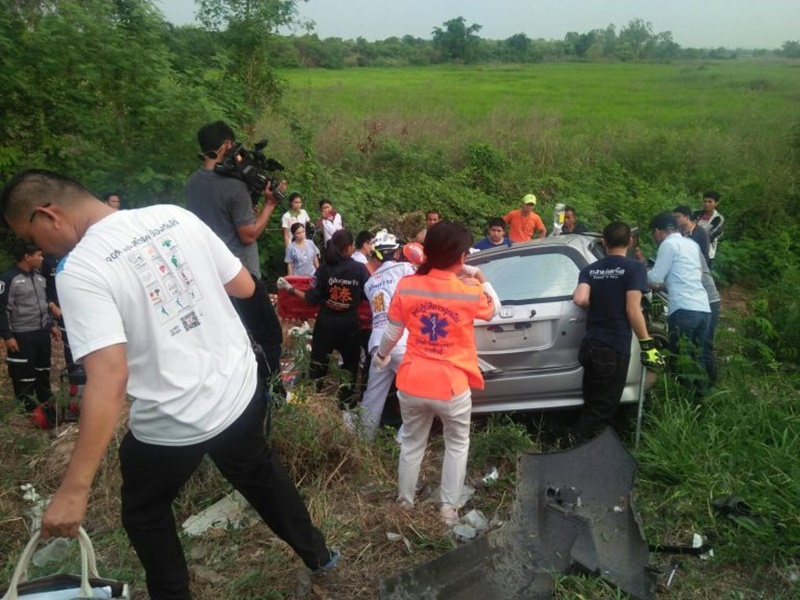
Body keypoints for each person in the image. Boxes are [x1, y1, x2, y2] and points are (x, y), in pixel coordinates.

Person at [1, 170, 338, 600]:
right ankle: (319, 554)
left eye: (32, 236)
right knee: (258, 470)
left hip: (174, 421)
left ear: (48, 215)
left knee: (145, 513)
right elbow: (244, 286)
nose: (41, 248)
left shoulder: (80, 270)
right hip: (238, 391)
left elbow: (109, 376)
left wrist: (73, 491)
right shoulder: (174, 216)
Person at [375, 222, 499, 524]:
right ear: (461, 257)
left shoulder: (407, 285)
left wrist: (381, 356)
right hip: (451, 385)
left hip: (412, 381)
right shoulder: (467, 290)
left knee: (412, 443)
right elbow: (495, 309)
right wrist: (479, 276)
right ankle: (448, 509)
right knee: (456, 444)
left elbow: (392, 333)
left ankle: (404, 503)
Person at [185, 120, 284, 392]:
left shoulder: (192, 183)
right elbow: (248, 235)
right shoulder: (234, 187)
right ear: (226, 145)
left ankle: (232, 389)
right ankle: (272, 392)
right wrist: (270, 205)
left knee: (231, 337)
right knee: (269, 336)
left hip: (209, 274)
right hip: (242, 275)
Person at [570, 222, 661, 443]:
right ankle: (572, 445)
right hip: (612, 347)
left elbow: (580, 299)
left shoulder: (590, 270)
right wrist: (647, 345)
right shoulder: (634, 268)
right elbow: (633, 310)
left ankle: (592, 446)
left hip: (590, 345)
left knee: (593, 401)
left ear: (604, 242)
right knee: (602, 408)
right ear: (630, 241)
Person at [278, 230, 370, 410]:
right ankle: (345, 406)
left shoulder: (324, 269)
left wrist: (290, 289)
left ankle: (313, 402)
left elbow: (311, 299)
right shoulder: (359, 269)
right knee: (350, 367)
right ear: (349, 247)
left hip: (326, 322)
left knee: (318, 364)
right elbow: (371, 294)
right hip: (349, 324)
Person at [357, 230, 417, 439]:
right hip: (400, 340)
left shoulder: (370, 282)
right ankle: (403, 442)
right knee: (416, 393)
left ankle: (363, 439)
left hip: (377, 343)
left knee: (373, 395)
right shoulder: (405, 269)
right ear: (397, 252)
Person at [646, 212, 711, 398]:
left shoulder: (668, 244)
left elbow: (655, 278)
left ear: (658, 231)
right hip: (703, 308)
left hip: (683, 309)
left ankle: (683, 400)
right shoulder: (691, 244)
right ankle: (703, 400)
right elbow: (694, 275)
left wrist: (639, 271)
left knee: (681, 358)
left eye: (653, 234)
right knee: (698, 357)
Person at [0, 239, 61, 415]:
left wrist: (51, 326)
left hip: (41, 332)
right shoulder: (8, 279)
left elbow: (42, 303)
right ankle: (27, 406)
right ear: (27, 257)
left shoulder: (39, 278)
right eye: (39, 255)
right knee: (23, 372)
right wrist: (7, 336)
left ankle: (45, 399)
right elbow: (2, 309)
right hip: (22, 334)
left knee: (43, 368)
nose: (42, 259)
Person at [692, 190, 725, 267]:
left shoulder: (718, 219)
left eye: (710, 202)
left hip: (706, 253)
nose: (706, 204)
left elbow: (712, 235)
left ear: (716, 203)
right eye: (705, 201)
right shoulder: (696, 213)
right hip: (691, 249)